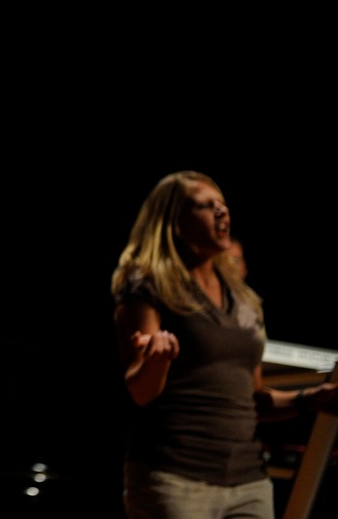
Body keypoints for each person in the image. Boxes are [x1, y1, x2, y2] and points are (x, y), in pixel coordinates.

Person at [110, 170, 338, 519]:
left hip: (248, 482)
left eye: (222, 204)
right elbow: (140, 392)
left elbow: (254, 400)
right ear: (173, 222)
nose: (221, 212)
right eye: (205, 206)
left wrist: (312, 399)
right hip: (175, 479)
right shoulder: (148, 287)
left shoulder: (245, 301)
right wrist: (156, 362)